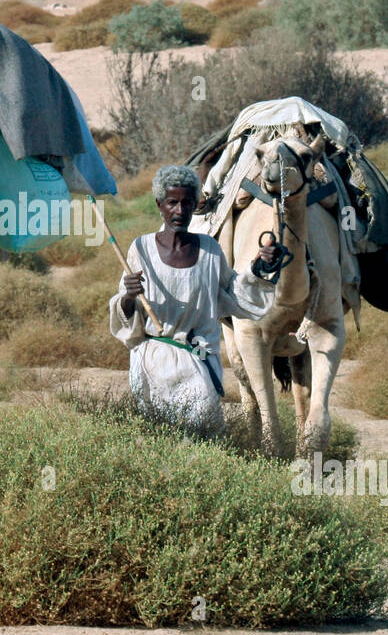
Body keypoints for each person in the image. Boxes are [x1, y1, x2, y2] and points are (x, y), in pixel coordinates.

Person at [108, 164, 280, 435]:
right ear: (159, 205)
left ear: (195, 204)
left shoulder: (210, 250)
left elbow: (233, 292)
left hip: (198, 360)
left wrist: (260, 268)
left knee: (203, 440)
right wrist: (128, 296)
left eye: (187, 203)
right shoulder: (140, 249)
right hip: (152, 364)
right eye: (172, 203)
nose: (179, 211)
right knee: (155, 440)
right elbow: (126, 319)